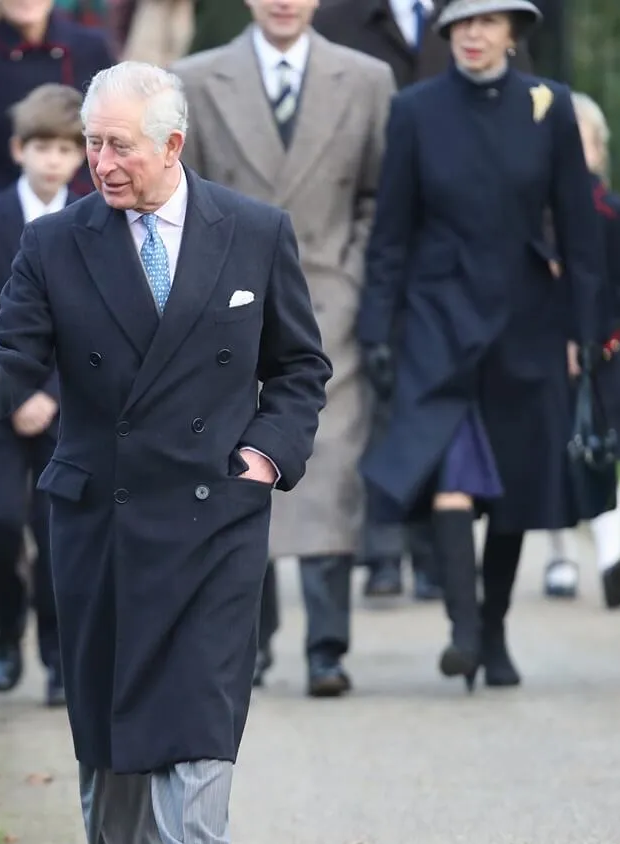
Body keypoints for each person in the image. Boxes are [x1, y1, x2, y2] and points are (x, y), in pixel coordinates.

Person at [0, 62, 331, 844]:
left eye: (118, 145)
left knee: (202, 692)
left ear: (172, 145)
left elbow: (301, 368)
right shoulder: (59, 241)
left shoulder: (255, 231)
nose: (101, 163)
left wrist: (265, 455)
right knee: (113, 710)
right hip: (101, 511)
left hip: (217, 506)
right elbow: (14, 334)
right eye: (91, 143)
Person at [357, 0, 604, 689]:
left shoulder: (547, 106)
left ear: (514, 32)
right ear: (446, 33)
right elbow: (391, 234)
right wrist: (377, 328)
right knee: (450, 475)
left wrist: (584, 330)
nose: (474, 34)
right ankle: (463, 630)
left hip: (525, 319)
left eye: (488, 21)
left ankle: (493, 628)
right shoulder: (414, 111)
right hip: (436, 319)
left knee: (516, 488)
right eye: (461, 23)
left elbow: (580, 231)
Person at [175, 0, 394, 697]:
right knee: (243, 457)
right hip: (228, 303)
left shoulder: (365, 78)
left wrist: (352, 274)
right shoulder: (197, 78)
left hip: (330, 294)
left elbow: (378, 196)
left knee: (329, 461)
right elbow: (188, 193)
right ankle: (254, 640)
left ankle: (327, 646)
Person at [312, 0, 539, 602]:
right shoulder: (338, 20)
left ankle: (437, 557)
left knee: (448, 417)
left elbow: (523, 130)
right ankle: (383, 548)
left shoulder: (480, 16)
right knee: (382, 405)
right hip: (370, 235)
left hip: (466, 270)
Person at [0, 83, 86, 707]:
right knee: (1, 524)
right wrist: (7, 392)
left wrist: (52, 394)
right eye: (41, 147)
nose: (53, 159)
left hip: (65, 409)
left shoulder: (94, 221)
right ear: (17, 149)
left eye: (66, 148)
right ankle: (6, 630)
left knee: (57, 535)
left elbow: (92, 327)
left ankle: (59, 659)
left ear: (82, 156)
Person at [543, 91, 620, 608]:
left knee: (601, 453)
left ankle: (611, 562)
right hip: (546, 351)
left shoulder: (616, 212)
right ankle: (560, 556)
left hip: (601, 352)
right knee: (553, 455)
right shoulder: (538, 214)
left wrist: (602, 342)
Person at [0, 0, 113, 223]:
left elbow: (112, 135)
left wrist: (94, 210)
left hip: (84, 220)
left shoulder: (90, 49)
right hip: (0, 223)